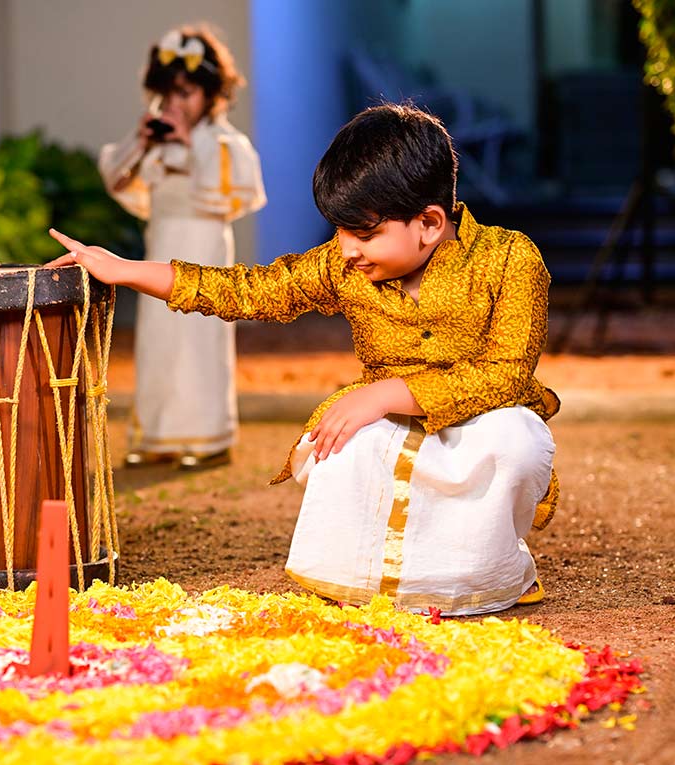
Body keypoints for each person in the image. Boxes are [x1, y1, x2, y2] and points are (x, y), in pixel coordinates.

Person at [50, 103, 558, 616]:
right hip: (384, 424)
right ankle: (368, 579)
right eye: (339, 231)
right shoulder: (344, 267)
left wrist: (385, 393)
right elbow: (249, 290)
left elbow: (507, 377)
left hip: (478, 422)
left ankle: (490, 576)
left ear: (428, 223)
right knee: (336, 443)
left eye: (363, 234)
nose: (346, 250)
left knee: (518, 440)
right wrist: (125, 270)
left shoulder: (511, 259)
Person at [97, 25, 266, 471]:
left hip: (204, 246)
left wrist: (190, 147)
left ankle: (209, 437)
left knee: (199, 338)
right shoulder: (155, 143)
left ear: (211, 94)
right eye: (168, 94)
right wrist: (141, 142)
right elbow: (117, 179)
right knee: (159, 340)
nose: (175, 105)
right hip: (161, 245)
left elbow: (234, 196)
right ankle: (159, 435)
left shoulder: (223, 143)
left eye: (186, 93)